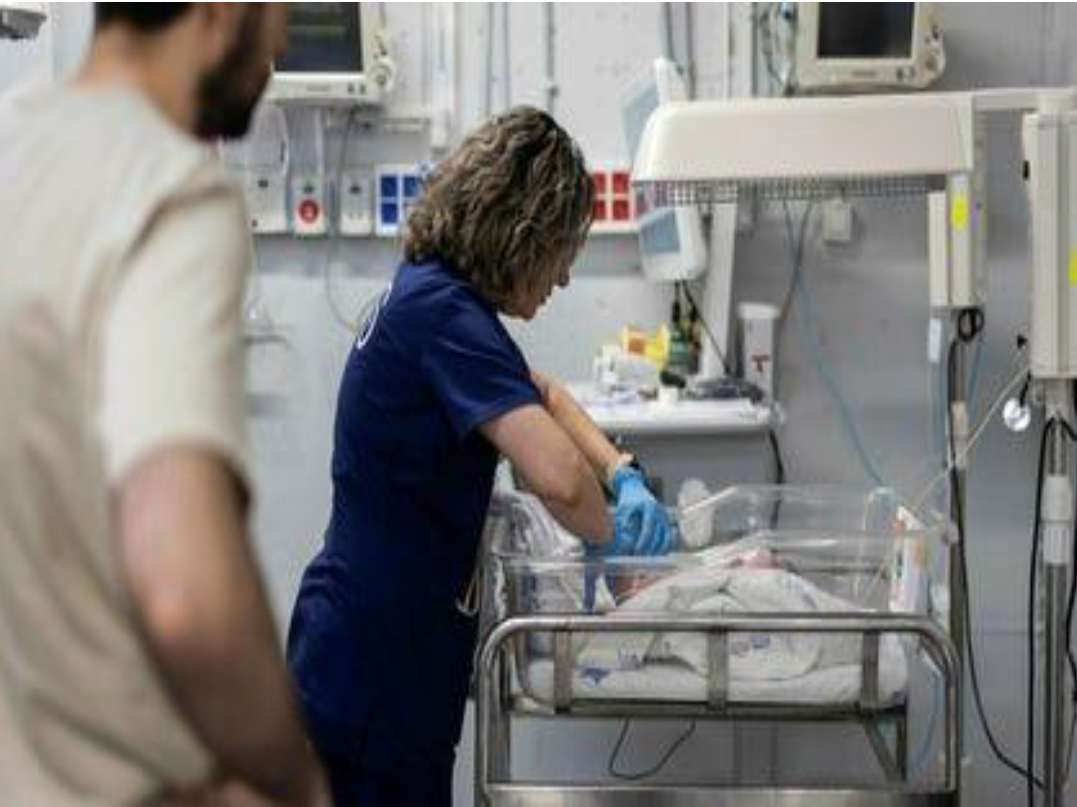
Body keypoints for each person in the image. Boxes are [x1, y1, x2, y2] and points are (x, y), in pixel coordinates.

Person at [287, 106, 673, 806]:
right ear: (524, 235)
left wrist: (622, 474)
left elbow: (543, 394)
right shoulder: (443, 315)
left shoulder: (435, 298)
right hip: (373, 668)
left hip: (385, 652)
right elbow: (559, 480)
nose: (562, 280)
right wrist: (613, 544)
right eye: (562, 253)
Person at [0, 4, 328, 805]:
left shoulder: (12, 147)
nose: (282, 41)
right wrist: (294, 776)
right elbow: (186, 596)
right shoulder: (169, 193)